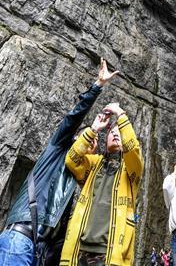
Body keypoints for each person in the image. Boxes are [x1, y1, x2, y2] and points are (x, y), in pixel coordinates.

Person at [0, 58, 119, 266]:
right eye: (88, 136)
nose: (92, 142)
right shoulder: (57, 150)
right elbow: (72, 118)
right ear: (74, 138)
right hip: (19, 240)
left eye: (95, 142)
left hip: (40, 252)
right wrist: (98, 85)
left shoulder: (78, 178)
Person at [59, 101, 143, 266]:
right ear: (106, 139)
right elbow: (71, 160)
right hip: (79, 248)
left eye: (120, 131)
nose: (116, 134)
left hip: (110, 252)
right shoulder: (93, 163)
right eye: (112, 131)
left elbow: (133, 150)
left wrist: (120, 114)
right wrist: (94, 129)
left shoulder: (131, 170)